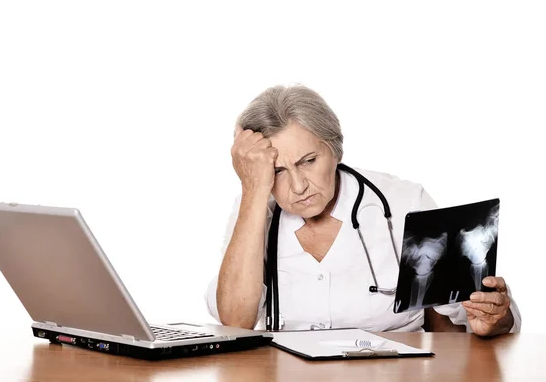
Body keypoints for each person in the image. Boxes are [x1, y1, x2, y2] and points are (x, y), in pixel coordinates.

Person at [204, 84, 521, 336]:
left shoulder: (404, 202)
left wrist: (496, 317)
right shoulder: (253, 208)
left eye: (309, 161)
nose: (298, 186)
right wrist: (254, 190)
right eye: (278, 171)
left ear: (335, 148)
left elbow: (475, 314)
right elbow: (235, 321)